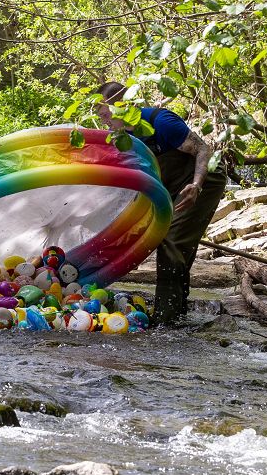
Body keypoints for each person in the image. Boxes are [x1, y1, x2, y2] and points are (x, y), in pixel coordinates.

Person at [95, 81, 228, 326]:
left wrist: (196, 185)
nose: (104, 122)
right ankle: (178, 313)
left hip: (204, 180)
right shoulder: (123, 138)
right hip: (170, 185)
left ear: (121, 106)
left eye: (105, 115)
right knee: (176, 244)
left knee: (171, 241)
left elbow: (203, 149)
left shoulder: (161, 122)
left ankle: (164, 322)